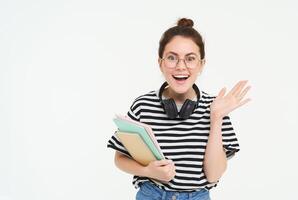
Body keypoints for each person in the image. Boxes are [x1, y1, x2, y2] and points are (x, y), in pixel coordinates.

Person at [107, 17, 251, 200]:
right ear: (160, 63)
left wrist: (216, 118)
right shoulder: (142, 106)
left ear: (201, 64)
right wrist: (147, 170)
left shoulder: (216, 108)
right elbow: (119, 158)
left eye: (190, 59)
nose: (181, 66)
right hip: (151, 194)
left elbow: (214, 175)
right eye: (172, 58)